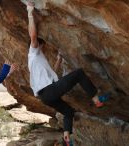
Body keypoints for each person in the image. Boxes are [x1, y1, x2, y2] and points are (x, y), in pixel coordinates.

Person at [26, 1, 109, 145]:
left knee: (69, 112)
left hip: (46, 96)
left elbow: (52, 74)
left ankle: (66, 138)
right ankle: (96, 99)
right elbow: (33, 36)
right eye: (43, 47)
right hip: (49, 91)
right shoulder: (33, 52)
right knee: (79, 74)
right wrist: (29, 12)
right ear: (38, 46)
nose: (44, 49)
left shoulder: (37, 61)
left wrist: (58, 60)